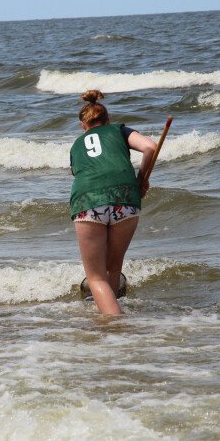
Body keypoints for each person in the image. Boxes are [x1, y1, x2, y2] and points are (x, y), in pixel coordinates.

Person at [69, 90, 157, 315]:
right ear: (108, 120)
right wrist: (141, 179)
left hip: (88, 202)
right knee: (113, 267)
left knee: (96, 277)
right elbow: (150, 147)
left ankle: (114, 325)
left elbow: (81, 173)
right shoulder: (119, 129)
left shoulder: (76, 146)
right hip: (126, 199)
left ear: (83, 126)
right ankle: (113, 313)